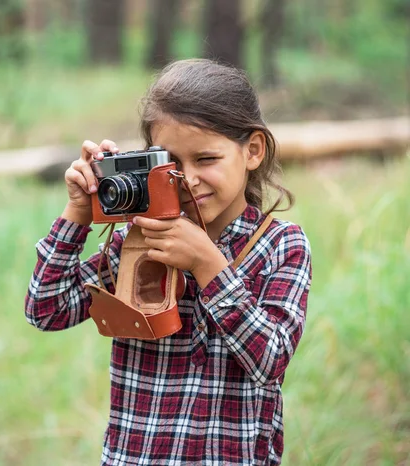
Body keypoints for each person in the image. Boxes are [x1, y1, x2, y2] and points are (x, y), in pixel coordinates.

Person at [24, 59, 312, 465]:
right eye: (172, 162)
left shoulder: (282, 246)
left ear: (252, 151)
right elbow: (46, 310)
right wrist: (78, 213)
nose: (188, 178)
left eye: (206, 159)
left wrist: (207, 264)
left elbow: (271, 359)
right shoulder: (140, 239)